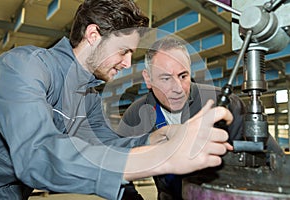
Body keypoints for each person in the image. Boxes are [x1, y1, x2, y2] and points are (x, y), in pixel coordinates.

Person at [0, 0, 234, 199]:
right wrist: (163, 157)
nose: (128, 63)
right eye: (123, 51)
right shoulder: (23, 66)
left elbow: (104, 148)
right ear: (94, 35)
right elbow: (38, 155)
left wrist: (156, 139)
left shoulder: (89, 97)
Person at [117, 36, 282, 200]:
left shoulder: (223, 104)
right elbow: (114, 164)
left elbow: (274, 159)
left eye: (183, 76)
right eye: (166, 78)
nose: (178, 88)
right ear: (148, 79)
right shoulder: (135, 115)